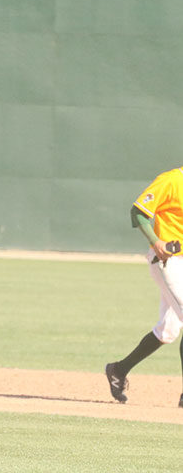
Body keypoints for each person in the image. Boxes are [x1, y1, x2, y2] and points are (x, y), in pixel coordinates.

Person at [105, 167, 183, 407]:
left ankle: (119, 369)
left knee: (168, 330)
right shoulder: (171, 181)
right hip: (169, 261)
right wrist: (155, 241)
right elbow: (138, 212)